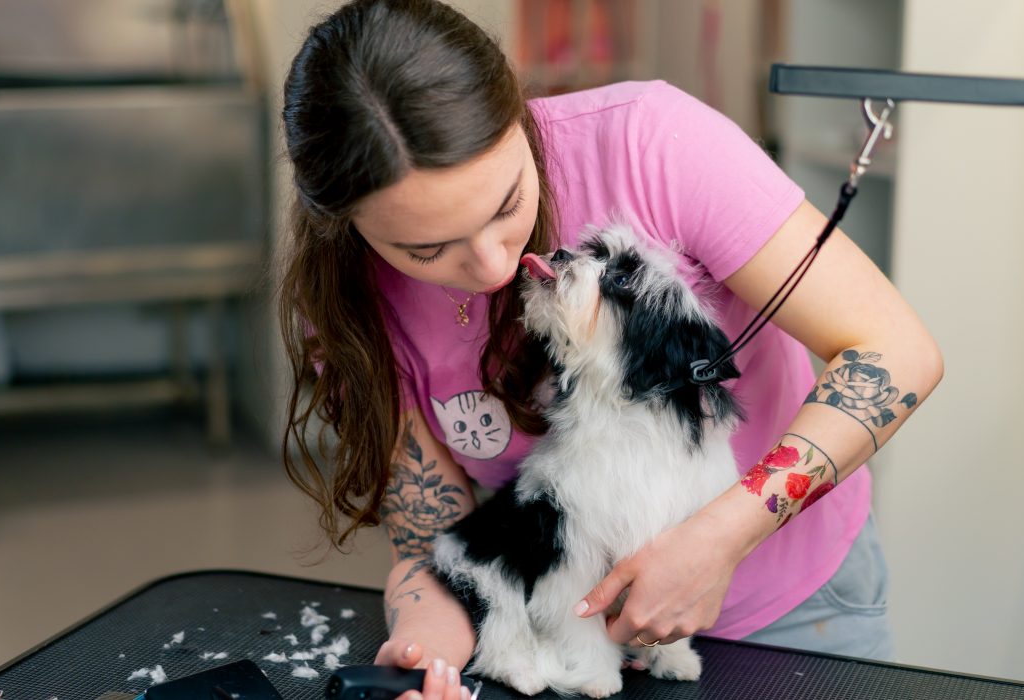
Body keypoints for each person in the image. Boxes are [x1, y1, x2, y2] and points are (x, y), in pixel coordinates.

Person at [279, 1, 943, 699]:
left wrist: (722, 535)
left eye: (507, 206)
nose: (494, 267)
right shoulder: (347, 305)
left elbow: (897, 350)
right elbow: (432, 534)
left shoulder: (653, 143)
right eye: (426, 249)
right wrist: (432, 648)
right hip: (571, 641)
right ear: (346, 227)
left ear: (519, 112)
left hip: (794, 616)